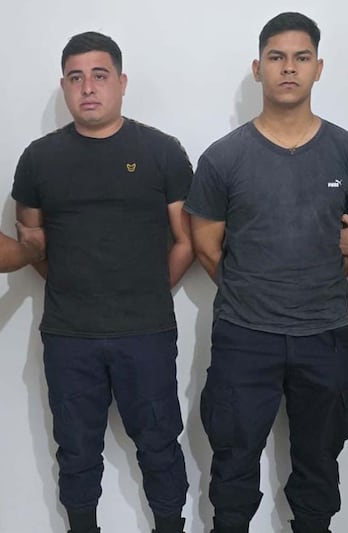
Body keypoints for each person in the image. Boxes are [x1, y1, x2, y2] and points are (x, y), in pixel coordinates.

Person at [184, 12, 348, 533]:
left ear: (319, 68)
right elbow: (206, 247)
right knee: (232, 467)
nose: (289, 68)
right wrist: (255, 292)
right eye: (276, 57)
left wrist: (312, 286)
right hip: (243, 336)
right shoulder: (223, 158)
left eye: (301, 58)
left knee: (319, 468)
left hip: (325, 335)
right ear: (258, 68)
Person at [11, 31, 193, 533]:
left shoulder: (161, 151)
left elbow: (186, 241)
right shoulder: (39, 158)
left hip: (147, 332)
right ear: (64, 87)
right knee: (75, 451)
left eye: (99, 75)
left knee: (159, 445)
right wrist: (73, 284)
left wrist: (149, 289)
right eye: (76, 78)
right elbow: (32, 245)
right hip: (69, 335)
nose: (88, 88)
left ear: (122, 82)